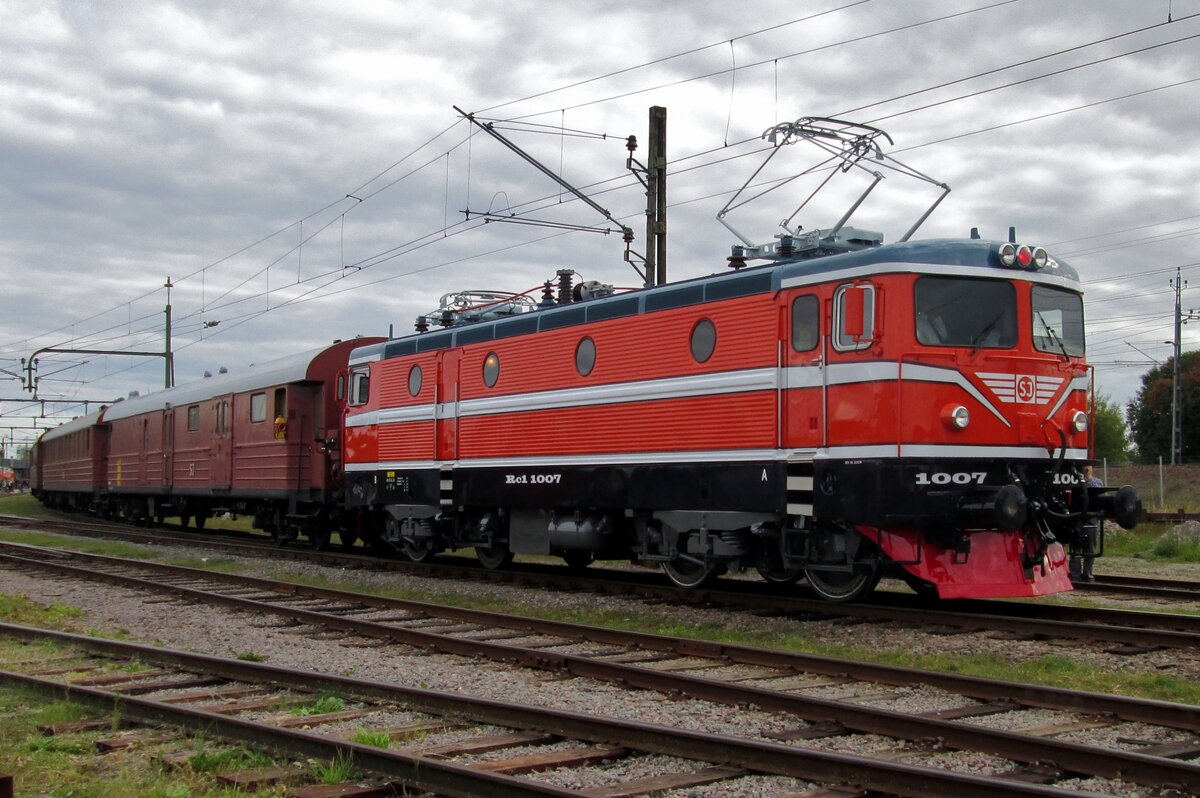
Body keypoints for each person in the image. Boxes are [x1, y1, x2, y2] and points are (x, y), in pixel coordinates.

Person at [1070, 466, 1103, 582]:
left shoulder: (1096, 482)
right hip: (1077, 516)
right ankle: (1075, 574)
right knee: (1075, 546)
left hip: (1091, 517)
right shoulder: (1073, 481)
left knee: (1090, 547)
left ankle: (1087, 573)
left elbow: (1097, 491)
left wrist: (1087, 480)